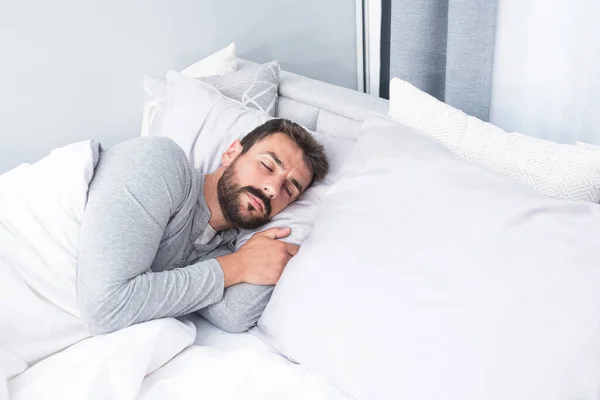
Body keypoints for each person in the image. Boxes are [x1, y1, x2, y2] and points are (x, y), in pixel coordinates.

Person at [77, 119, 329, 334]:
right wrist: (237, 267)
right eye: (266, 165)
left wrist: (252, 256)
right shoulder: (160, 163)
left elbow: (235, 315)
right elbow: (104, 308)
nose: (272, 189)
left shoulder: (226, 248)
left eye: (288, 189)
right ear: (231, 153)